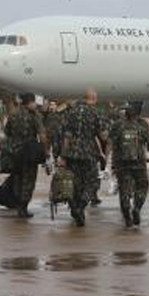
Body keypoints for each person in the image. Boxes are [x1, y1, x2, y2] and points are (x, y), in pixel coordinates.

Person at [61, 89, 108, 226]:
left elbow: (67, 136)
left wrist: (63, 155)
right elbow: (103, 135)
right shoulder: (95, 113)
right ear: (93, 98)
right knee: (92, 183)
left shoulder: (72, 112)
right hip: (88, 154)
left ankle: (76, 210)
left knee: (75, 183)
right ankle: (80, 206)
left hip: (72, 154)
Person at [108, 102, 149, 228]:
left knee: (123, 188)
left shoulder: (117, 125)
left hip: (121, 162)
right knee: (142, 186)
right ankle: (137, 208)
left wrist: (108, 160)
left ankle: (127, 217)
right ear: (136, 114)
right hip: (139, 162)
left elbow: (110, 143)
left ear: (125, 114)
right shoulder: (141, 126)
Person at [0, 93, 47, 218]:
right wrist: (45, 150)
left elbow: (7, 132)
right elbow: (42, 134)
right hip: (29, 152)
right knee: (28, 180)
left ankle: (17, 202)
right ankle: (23, 207)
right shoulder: (34, 115)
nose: (35, 105)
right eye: (34, 102)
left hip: (14, 152)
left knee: (17, 178)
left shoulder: (13, 114)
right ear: (29, 103)